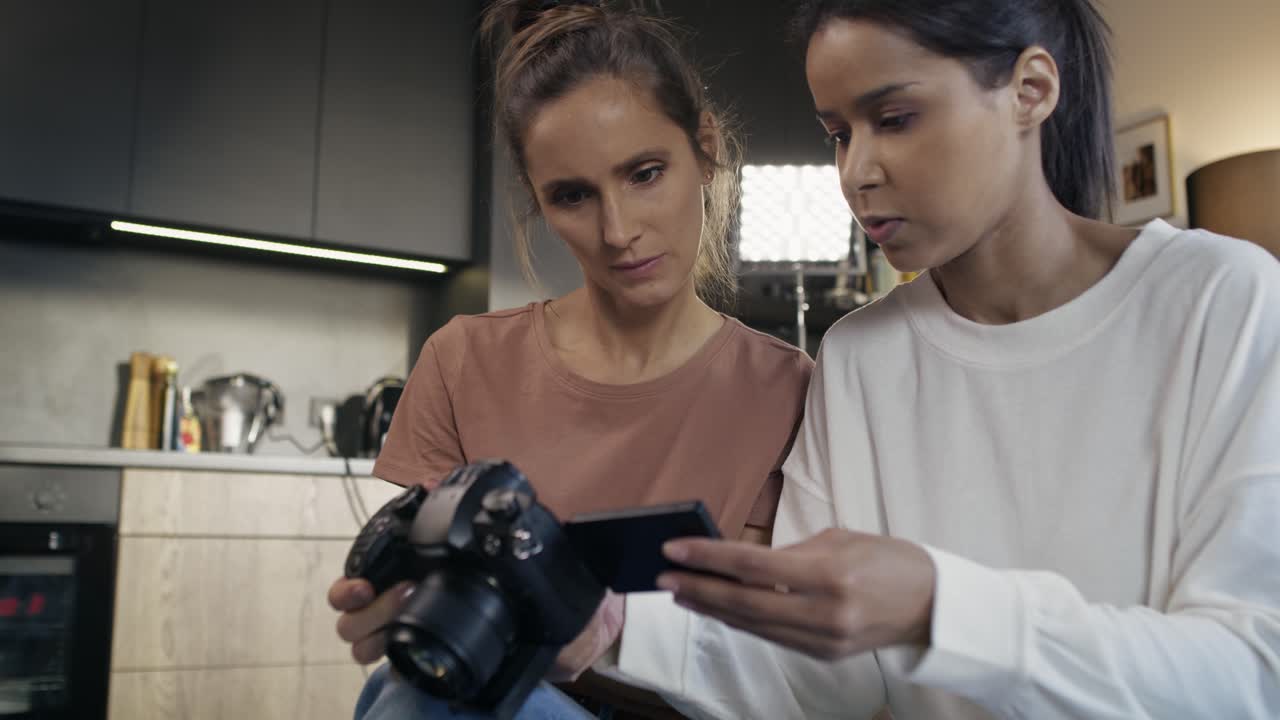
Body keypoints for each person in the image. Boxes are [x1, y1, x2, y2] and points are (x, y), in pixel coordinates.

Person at [577, 1, 1280, 718]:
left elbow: (1253, 674)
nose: (856, 172)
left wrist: (939, 608)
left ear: (1029, 91)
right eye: (838, 134)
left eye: (895, 119)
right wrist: (613, 625)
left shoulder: (1223, 299)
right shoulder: (861, 354)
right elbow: (817, 682)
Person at [325, 1, 814, 718]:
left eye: (645, 172)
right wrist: (398, 607)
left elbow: (778, 666)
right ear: (538, 203)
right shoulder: (464, 361)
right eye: (573, 196)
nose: (618, 231)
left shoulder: (788, 392)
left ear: (705, 149)